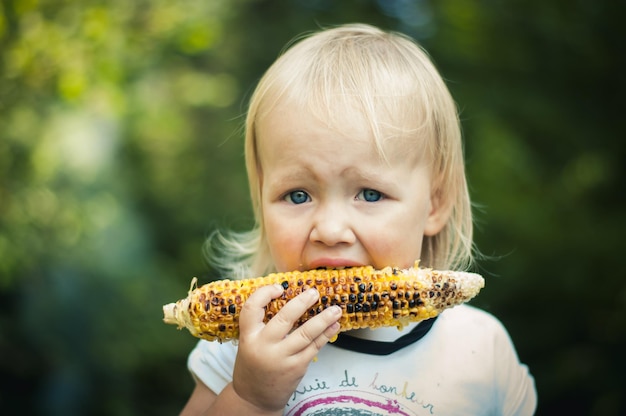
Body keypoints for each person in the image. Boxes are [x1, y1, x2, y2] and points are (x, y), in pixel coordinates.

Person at [180, 23, 537, 415]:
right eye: (297, 195)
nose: (331, 231)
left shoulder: (480, 349)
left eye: (370, 194)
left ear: (433, 205)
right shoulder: (237, 350)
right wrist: (249, 397)